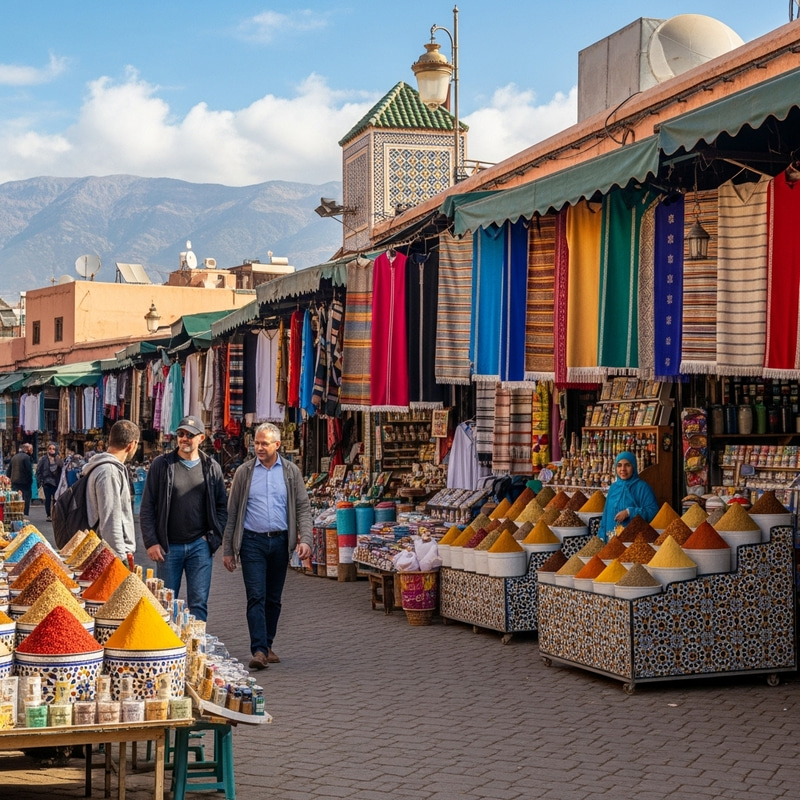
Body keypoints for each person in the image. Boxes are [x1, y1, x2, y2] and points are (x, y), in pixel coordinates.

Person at [222, 422, 312, 670]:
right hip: (252, 541)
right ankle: (259, 650)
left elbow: (303, 508)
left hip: (280, 542)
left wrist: (306, 539)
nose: (259, 448)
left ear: (277, 445)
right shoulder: (245, 472)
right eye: (257, 443)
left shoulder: (291, 472)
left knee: (273, 598)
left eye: (264, 443)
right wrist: (228, 549)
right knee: (256, 596)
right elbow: (232, 513)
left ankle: (268, 644)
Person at [140, 415, 228, 622]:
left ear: (201, 438)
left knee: (198, 602)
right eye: (181, 434)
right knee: (165, 602)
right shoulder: (162, 465)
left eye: (190, 435)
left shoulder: (211, 467)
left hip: (200, 546)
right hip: (168, 547)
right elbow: (147, 506)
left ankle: (196, 641)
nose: (184, 439)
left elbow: (222, 507)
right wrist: (151, 542)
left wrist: (213, 538)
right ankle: (167, 642)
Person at [84, 419, 140, 562]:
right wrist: (120, 559)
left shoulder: (104, 468)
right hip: (108, 556)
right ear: (132, 445)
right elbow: (110, 521)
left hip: (102, 552)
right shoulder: (109, 472)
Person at [598, 451, 659, 541]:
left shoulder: (643, 488)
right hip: (611, 541)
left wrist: (629, 512)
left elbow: (653, 512)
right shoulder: (613, 488)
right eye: (619, 465)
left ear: (633, 467)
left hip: (634, 542)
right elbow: (606, 515)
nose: (623, 469)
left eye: (627, 465)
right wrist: (601, 536)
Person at [36, 443, 64, 521]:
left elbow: (62, 468)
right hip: (46, 482)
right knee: (48, 500)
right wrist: (40, 481)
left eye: (53, 449)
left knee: (56, 499)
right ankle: (48, 515)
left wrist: (58, 459)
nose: (51, 450)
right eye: (50, 448)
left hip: (56, 482)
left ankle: (55, 514)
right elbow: (38, 470)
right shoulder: (44, 459)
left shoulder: (58, 458)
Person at [9, 443, 34, 515]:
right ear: (27, 450)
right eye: (31, 449)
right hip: (24, 481)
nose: (32, 451)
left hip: (14, 480)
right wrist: (30, 480)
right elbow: (29, 471)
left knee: (15, 497)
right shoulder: (27, 458)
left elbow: (9, 470)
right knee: (26, 497)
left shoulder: (14, 457)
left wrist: (10, 478)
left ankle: (16, 512)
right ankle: (25, 513)